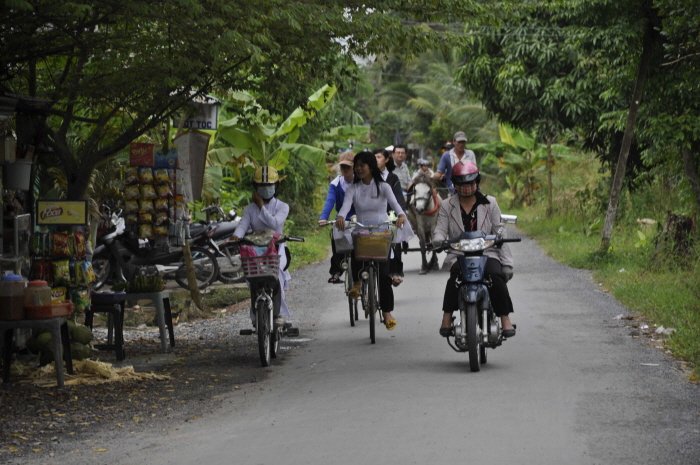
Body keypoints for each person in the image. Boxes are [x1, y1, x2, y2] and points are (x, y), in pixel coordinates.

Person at [433, 160, 516, 338]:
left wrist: (507, 262)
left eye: (470, 183)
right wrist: (438, 240)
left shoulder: (490, 203)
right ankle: (446, 317)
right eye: (461, 184)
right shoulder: (447, 205)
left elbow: (499, 229)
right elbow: (440, 228)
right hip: (459, 254)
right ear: (455, 184)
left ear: (477, 182)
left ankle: (504, 318)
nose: (466, 187)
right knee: (455, 278)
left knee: (495, 275)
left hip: (487, 252)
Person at [335, 151, 414, 331]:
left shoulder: (383, 187)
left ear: (371, 166)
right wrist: (340, 217)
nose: (359, 169)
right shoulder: (353, 189)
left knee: (384, 276)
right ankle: (356, 283)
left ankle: (386, 313)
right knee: (355, 248)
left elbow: (395, 205)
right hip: (361, 230)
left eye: (362, 165)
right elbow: (346, 205)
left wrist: (401, 215)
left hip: (380, 232)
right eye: (357, 166)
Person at [233, 166, 292, 325]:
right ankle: (255, 314)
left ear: (276, 186)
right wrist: (236, 236)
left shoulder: (282, 206)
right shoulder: (249, 209)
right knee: (253, 275)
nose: (266, 189)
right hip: (255, 250)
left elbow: (273, 224)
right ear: (256, 187)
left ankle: (279, 313)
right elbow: (243, 225)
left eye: (269, 185)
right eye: (262, 185)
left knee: (277, 271)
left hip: (277, 249)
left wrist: (260, 206)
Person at [318, 151, 356, 284]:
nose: (345, 170)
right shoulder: (335, 183)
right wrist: (323, 218)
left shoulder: (361, 182)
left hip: (360, 219)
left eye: (348, 167)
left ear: (355, 167)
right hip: (342, 219)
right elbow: (330, 202)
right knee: (337, 241)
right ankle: (336, 271)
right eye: (342, 167)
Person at [374, 147, 408, 286]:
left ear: (387, 160)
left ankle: (394, 272)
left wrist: (400, 215)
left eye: (379, 157)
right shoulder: (369, 177)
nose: (376, 160)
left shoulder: (393, 178)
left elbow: (398, 199)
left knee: (395, 240)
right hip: (372, 216)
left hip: (390, 215)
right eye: (374, 157)